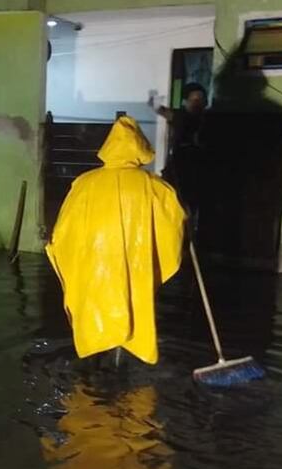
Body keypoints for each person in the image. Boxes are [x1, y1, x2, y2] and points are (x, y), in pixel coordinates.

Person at [45, 115, 186, 365]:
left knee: (94, 315)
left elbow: (63, 231)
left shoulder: (84, 184)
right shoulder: (155, 187)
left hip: (93, 266)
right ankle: (120, 366)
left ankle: (92, 373)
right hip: (134, 265)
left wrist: (60, 251)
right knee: (131, 307)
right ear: (140, 147)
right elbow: (173, 226)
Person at [152, 83, 207, 222]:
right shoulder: (181, 117)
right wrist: (155, 96)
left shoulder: (208, 120)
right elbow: (158, 108)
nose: (198, 104)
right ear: (185, 102)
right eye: (194, 100)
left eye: (201, 100)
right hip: (178, 171)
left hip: (199, 174)